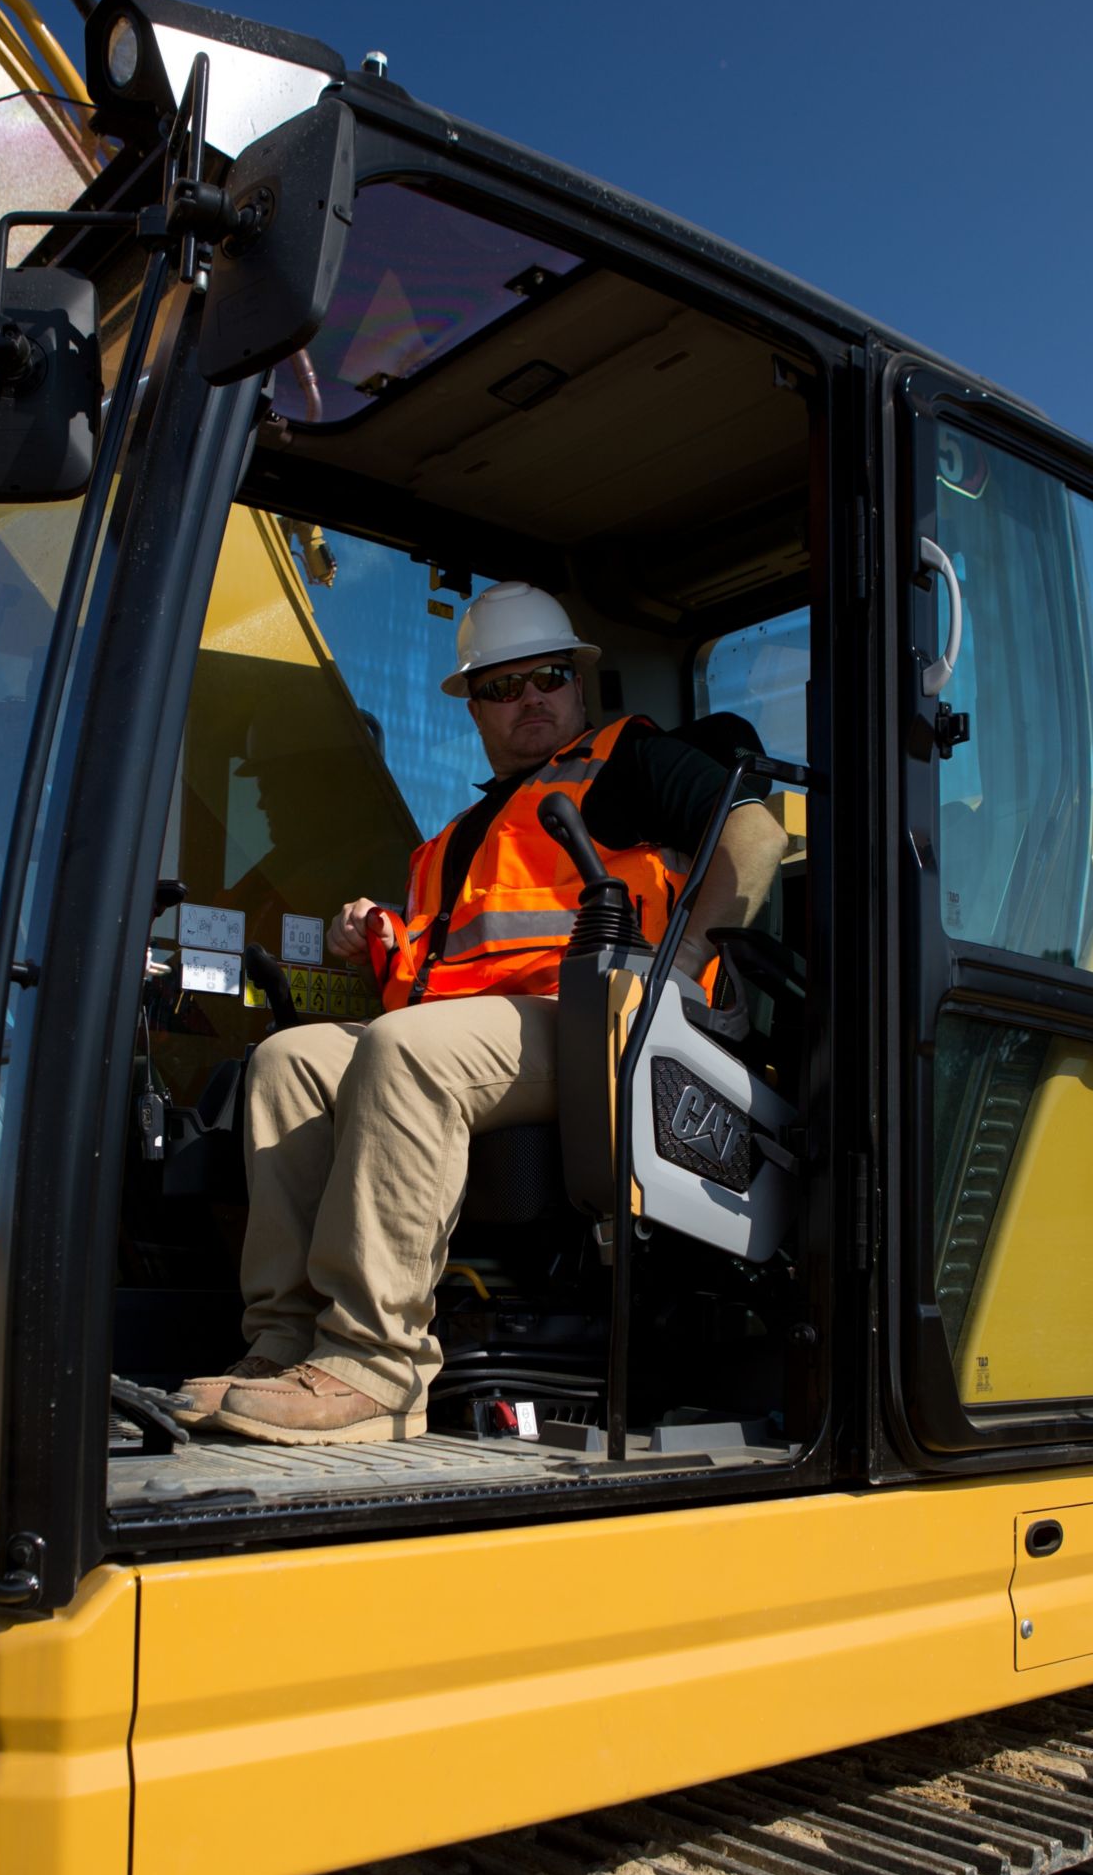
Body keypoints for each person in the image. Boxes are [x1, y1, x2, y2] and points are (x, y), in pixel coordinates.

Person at [187, 582, 787, 1446]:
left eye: (545, 677)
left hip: (594, 1027)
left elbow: (755, 835)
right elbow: (450, 966)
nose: (528, 699)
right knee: (291, 1061)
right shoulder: (459, 834)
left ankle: (375, 1367)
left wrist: (679, 969)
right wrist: (381, 936)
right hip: (482, 1032)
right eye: (501, 688)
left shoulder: (627, 763)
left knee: (408, 1050)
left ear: (577, 684)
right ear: (474, 708)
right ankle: (281, 1349)